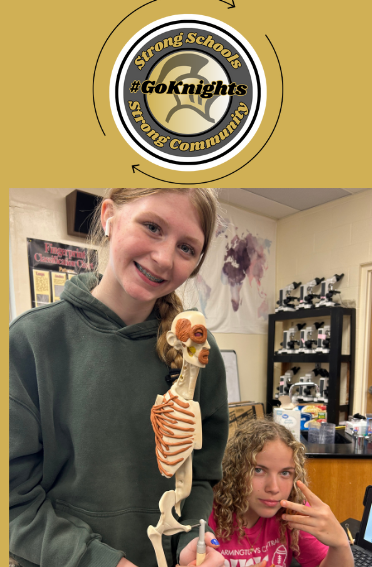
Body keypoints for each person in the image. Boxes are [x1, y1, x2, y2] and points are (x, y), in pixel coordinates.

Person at [10, 188, 227, 567]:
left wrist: (196, 538)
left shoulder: (196, 348)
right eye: (152, 227)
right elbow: (12, 503)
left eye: (187, 248)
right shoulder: (30, 342)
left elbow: (201, 476)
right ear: (109, 216)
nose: (163, 258)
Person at [210, 419, 353, 567]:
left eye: (285, 473)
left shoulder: (294, 511)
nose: (273, 488)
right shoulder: (207, 512)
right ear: (235, 471)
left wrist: (340, 544)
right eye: (258, 470)